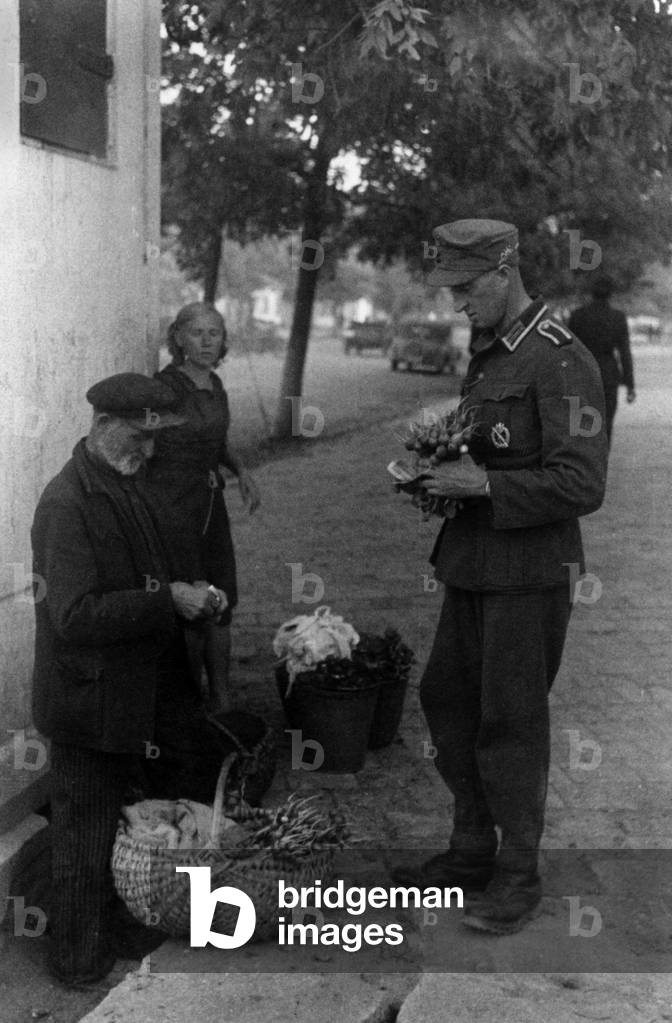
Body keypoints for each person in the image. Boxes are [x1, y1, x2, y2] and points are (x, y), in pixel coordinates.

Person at [394, 220, 608, 935]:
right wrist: (440, 483)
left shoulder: (560, 358)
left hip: (529, 571)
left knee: (510, 720)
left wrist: (482, 488)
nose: (456, 303)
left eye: (464, 286)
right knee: (447, 698)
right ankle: (469, 849)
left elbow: (581, 482)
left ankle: (517, 873)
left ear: (504, 269)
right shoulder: (491, 355)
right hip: (474, 564)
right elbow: (481, 452)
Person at [31, 373, 231, 987]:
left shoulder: (122, 483)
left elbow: (152, 571)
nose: (150, 453)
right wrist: (166, 599)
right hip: (88, 702)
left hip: (131, 692)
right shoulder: (67, 502)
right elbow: (72, 615)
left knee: (124, 820)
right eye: (143, 439)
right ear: (106, 426)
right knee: (84, 838)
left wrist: (195, 594)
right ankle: (74, 959)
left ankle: (115, 929)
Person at [142, 303, 260, 714]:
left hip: (211, 502)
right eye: (198, 332)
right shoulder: (166, 387)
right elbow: (147, 443)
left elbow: (217, 440)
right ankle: (190, 699)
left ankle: (222, 697)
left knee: (222, 590)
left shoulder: (217, 385)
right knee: (191, 597)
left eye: (215, 333)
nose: (208, 341)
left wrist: (241, 470)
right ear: (178, 337)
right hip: (174, 505)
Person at [567, 276, 636, 448]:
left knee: (582, 424)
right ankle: (601, 465)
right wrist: (630, 385)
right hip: (608, 375)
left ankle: (584, 466)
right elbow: (624, 353)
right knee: (606, 423)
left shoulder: (577, 316)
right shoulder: (618, 318)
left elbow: (567, 351)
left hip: (582, 375)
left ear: (592, 293)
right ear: (611, 294)